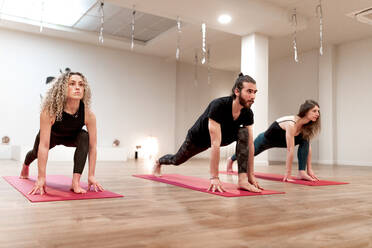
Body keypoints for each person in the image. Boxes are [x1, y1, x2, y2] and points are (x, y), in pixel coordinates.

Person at [153, 73, 263, 193]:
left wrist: (251, 174)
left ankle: (242, 180)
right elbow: (215, 143)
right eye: (249, 91)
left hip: (224, 137)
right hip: (198, 139)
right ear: (237, 91)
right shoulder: (218, 105)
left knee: (244, 134)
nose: (253, 96)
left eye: (255, 92)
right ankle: (159, 162)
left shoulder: (247, 113)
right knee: (176, 160)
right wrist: (214, 178)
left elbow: (250, 145)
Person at [20, 71, 104, 195]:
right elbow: (44, 146)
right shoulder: (50, 111)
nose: (77, 87)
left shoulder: (88, 115)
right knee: (34, 152)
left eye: (81, 85)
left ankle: (75, 182)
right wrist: (41, 178)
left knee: (85, 136)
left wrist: (91, 175)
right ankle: (25, 166)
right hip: (52, 137)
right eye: (72, 84)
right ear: (63, 88)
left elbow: (92, 147)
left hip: (72, 138)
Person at [226, 100, 321, 182]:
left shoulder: (306, 127)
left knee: (305, 142)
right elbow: (290, 149)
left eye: (318, 111)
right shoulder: (291, 123)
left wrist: (309, 169)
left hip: (281, 141)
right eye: (314, 111)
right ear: (305, 111)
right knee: (249, 152)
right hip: (266, 140)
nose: (317, 114)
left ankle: (301, 172)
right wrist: (288, 174)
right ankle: (231, 160)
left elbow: (308, 148)